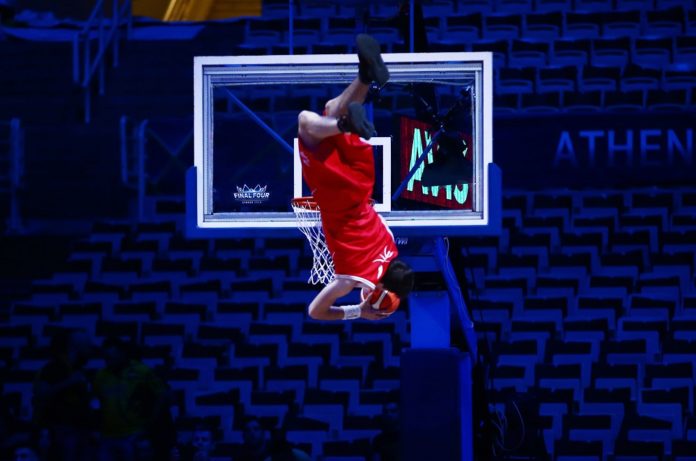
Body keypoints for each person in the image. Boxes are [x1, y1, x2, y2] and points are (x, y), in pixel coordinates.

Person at [297, 34, 415, 322]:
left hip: (363, 185)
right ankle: (344, 124)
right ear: (378, 291)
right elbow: (316, 312)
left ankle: (365, 77)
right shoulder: (351, 278)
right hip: (336, 196)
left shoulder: (390, 246)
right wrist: (358, 311)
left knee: (330, 108)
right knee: (305, 124)